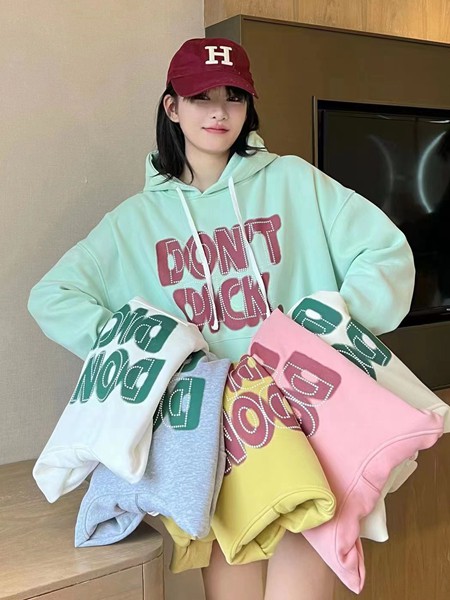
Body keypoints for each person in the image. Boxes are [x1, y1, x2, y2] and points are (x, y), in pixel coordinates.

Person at [28, 37, 415, 600]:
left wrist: (326, 328)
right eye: (200, 97)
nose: (218, 112)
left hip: (304, 415)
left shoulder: (293, 182)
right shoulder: (135, 222)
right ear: (171, 106)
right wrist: (157, 358)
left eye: (233, 97)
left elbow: (385, 253)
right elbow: (54, 296)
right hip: (215, 434)